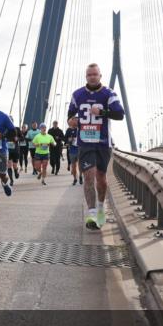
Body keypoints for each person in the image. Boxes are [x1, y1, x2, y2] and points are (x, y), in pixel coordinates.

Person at [68, 63, 125, 230]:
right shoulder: (77, 94)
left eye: (95, 74)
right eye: (89, 75)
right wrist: (71, 121)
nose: (92, 77)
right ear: (86, 77)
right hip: (85, 143)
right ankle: (92, 213)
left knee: (101, 178)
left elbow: (120, 114)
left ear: (100, 76)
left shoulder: (109, 94)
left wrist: (102, 112)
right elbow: (70, 116)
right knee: (88, 176)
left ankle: (100, 208)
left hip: (103, 143)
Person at [6, 116, 21, 184]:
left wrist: (18, 138)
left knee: (15, 165)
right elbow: (2, 137)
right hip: (8, 150)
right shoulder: (5, 129)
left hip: (15, 150)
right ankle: (11, 180)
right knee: (9, 165)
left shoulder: (17, 129)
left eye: (11, 121)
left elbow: (22, 138)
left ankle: (16, 172)